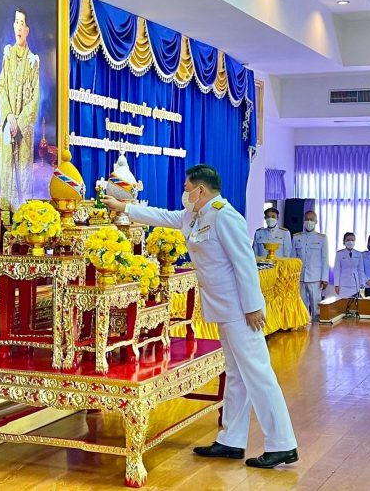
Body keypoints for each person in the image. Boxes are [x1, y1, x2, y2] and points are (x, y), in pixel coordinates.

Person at [102, 164, 298, 469]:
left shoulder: (224, 216)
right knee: (236, 374)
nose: (184, 192)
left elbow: (244, 262)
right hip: (223, 308)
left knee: (258, 373)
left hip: (240, 309)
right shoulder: (195, 215)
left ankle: (282, 444)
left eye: (187, 187)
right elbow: (163, 216)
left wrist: (253, 306)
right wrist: (125, 206)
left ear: (201, 190)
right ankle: (231, 440)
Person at [0, 8, 40, 212]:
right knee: (7, 170)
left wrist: (20, 122)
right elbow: (1, 87)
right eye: (16, 22)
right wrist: (9, 117)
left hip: (24, 129)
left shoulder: (33, 61)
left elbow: (35, 99)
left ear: (27, 30)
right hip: (8, 123)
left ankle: (22, 220)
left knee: (23, 174)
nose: (19, 26)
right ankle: (4, 221)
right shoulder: (7, 55)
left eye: (22, 23)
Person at [291, 210, 329, 321]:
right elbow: (293, 259)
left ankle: (316, 330)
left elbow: (325, 259)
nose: (309, 221)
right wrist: (293, 277)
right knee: (302, 305)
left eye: (311, 219)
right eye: (306, 219)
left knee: (316, 306)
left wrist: (324, 278)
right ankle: (304, 326)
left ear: (316, 221)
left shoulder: (321, 238)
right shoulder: (297, 237)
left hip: (315, 278)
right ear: (303, 221)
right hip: (300, 277)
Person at [334, 232, 365, 298]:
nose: (350, 242)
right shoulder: (339, 253)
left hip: (355, 284)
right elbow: (337, 269)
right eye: (348, 240)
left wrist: (362, 285)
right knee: (343, 305)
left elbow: (361, 271)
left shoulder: (359, 254)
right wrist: (336, 285)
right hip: (343, 284)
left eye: (352, 240)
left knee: (354, 306)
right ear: (344, 241)